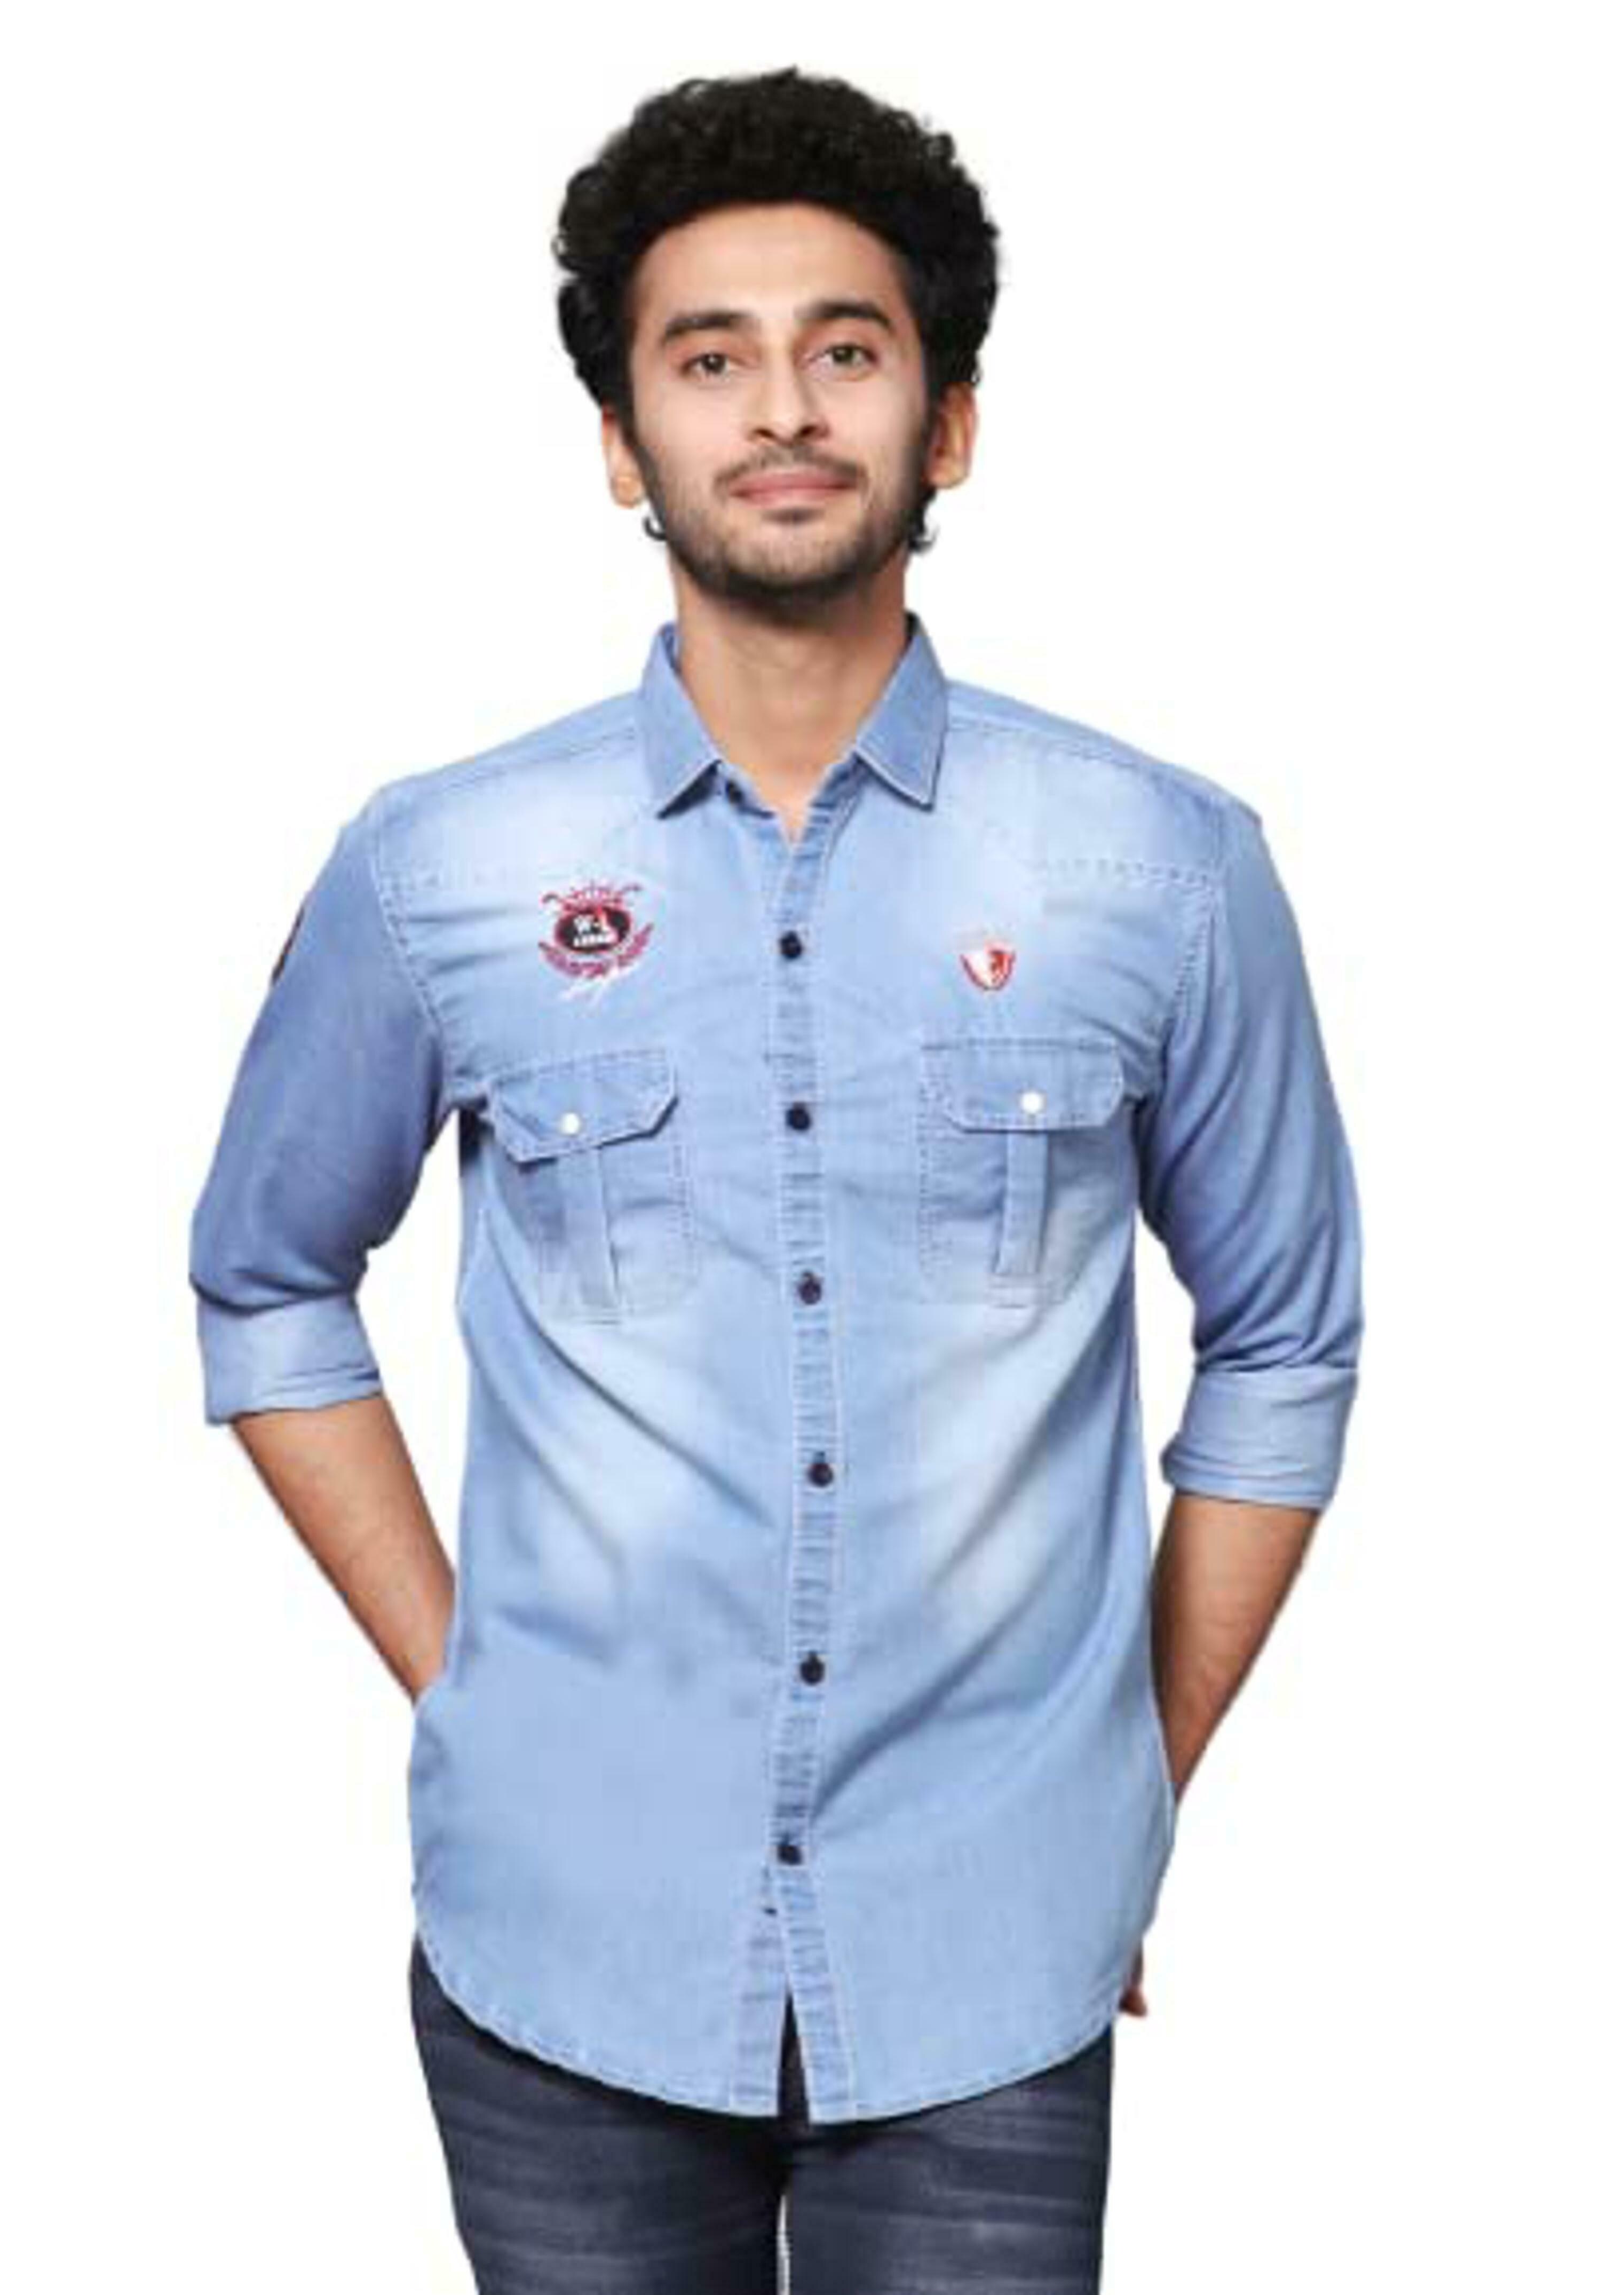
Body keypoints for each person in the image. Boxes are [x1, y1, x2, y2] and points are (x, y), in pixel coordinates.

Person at [187, 65, 1364, 2295]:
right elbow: (264, 1280)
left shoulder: (1163, 868)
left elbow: (1289, 1335)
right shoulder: (444, 867)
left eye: (846, 347)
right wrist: (468, 1684)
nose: (785, 410)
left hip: (996, 1951)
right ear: (623, 444)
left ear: (951, 420)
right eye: (708, 358)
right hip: (563, 1949)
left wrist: (1132, 1771)